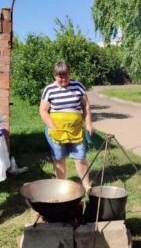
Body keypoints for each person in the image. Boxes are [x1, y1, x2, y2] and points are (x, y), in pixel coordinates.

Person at [39, 61, 92, 190]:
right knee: (59, 159)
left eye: (66, 75)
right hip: (56, 131)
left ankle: (86, 186)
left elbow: (86, 106)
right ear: (54, 75)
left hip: (76, 131)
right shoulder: (49, 89)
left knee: (80, 158)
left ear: (69, 74)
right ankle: (61, 186)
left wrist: (89, 123)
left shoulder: (78, 86)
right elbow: (43, 110)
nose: (63, 79)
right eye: (60, 76)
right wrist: (53, 127)